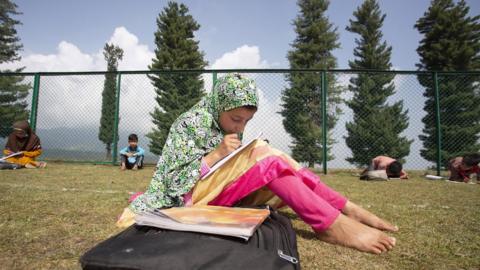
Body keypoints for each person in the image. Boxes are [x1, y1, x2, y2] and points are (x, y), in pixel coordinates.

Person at [117, 74, 397, 254]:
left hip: (214, 191)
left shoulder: (218, 122)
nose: (240, 127)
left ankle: (343, 207)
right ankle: (330, 223)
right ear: (218, 105)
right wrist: (214, 156)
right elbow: (173, 182)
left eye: (245, 122)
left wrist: (229, 155)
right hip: (187, 200)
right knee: (266, 156)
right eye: (236, 120)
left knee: (273, 155)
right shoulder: (189, 124)